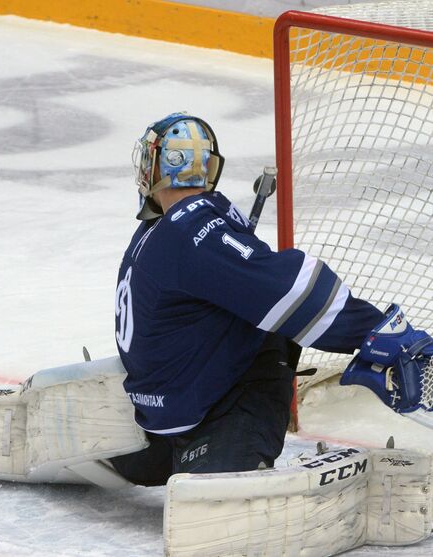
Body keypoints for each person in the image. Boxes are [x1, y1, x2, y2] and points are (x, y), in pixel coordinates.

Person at [108, 111, 433, 485]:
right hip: (171, 413)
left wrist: (375, 334)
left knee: (217, 508)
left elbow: (294, 292)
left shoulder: (185, 231)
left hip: (224, 403)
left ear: (158, 167)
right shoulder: (180, 226)